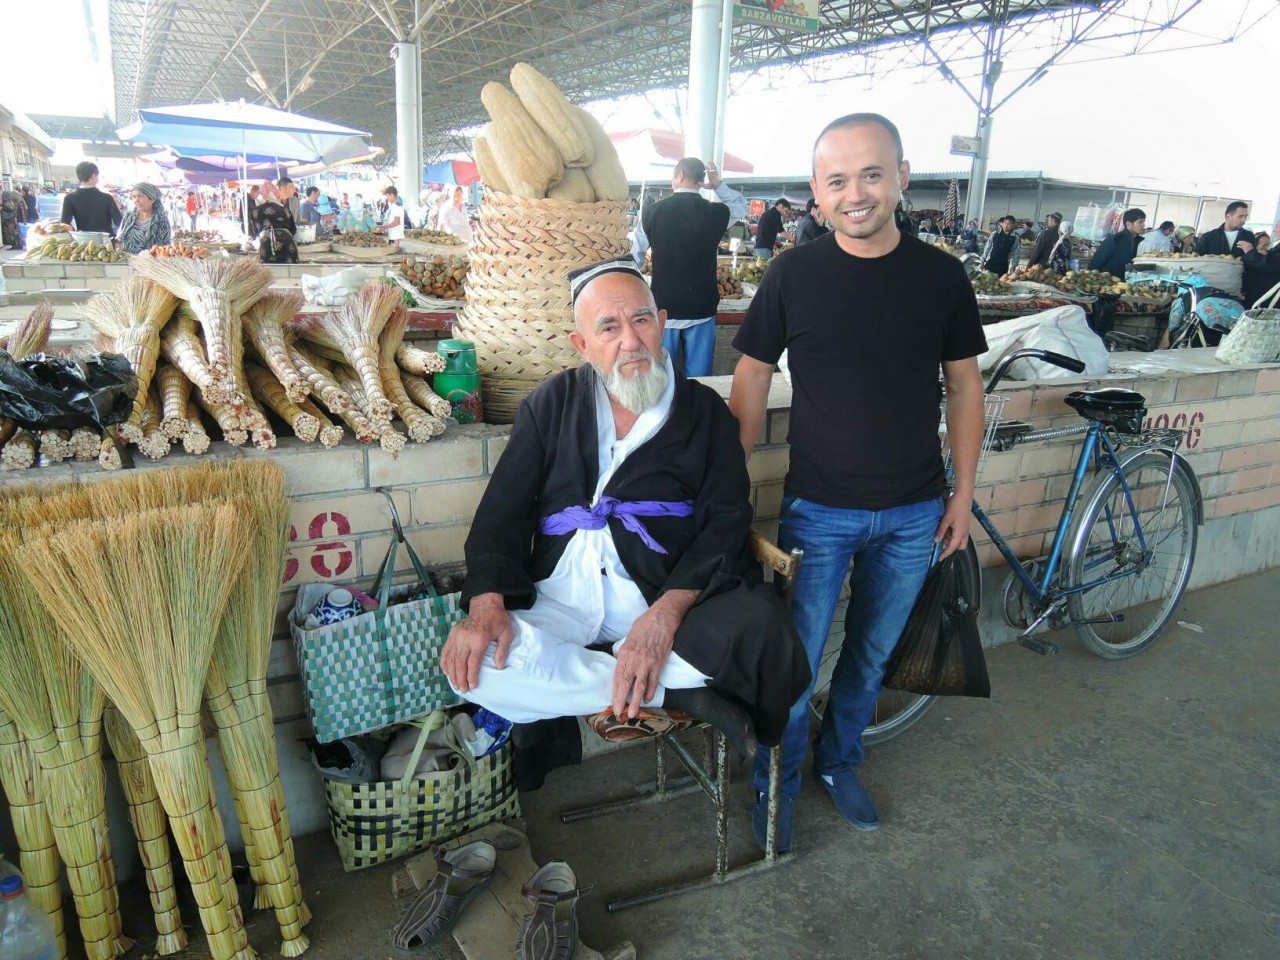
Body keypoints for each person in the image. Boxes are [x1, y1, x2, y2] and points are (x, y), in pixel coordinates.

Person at [729, 112, 987, 851]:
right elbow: (751, 375)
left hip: (915, 514)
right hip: (817, 513)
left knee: (871, 654)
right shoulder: (792, 275)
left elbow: (964, 386)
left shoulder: (941, 276)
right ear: (816, 192)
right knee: (796, 661)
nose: (856, 193)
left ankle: (840, 761)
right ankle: (775, 784)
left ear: (902, 177)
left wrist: (962, 492)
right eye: (837, 180)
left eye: (871, 174)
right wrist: (730, 481)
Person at [440, 257, 809, 767]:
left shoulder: (705, 415)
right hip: (563, 601)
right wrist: (485, 609)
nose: (630, 341)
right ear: (582, 345)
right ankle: (668, 693)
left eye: (640, 320)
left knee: (761, 630)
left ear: (661, 323)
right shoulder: (549, 404)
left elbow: (726, 520)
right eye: (608, 327)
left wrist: (662, 618)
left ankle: (602, 675)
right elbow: (500, 515)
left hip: (660, 598)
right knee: (478, 667)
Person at [632, 158, 748, 377]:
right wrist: (718, 186)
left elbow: (634, 258)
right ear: (701, 180)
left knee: (660, 375)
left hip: (665, 307)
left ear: (679, 175)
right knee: (700, 377)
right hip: (702, 306)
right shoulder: (716, 213)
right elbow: (741, 206)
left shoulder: (652, 213)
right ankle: (698, 410)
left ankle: (665, 411)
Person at [60, 161, 122, 235]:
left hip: (84, 243)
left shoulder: (69, 198)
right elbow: (119, 222)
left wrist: (76, 232)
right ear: (93, 176)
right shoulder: (107, 197)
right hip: (106, 242)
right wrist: (117, 205)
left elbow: (65, 224)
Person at [116, 182, 172, 254]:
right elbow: (120, 239)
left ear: (152, 199)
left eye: (140, 196)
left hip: (148, 263)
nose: (136, 200)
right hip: (126, 261)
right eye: (134, 197)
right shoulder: (128, 216)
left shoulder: (161, 220)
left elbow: (164, 249)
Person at [1090, 208, 1146, 278]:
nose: (1143, 225)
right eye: (1140, 222)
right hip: (1108, 280)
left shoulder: (1138, 240)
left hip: (1125, 281)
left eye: (1144, 222)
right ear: (1128, 224)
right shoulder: (1116, 239)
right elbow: (1098, 259)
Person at [252, 182, 299, 263]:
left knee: (269, 272)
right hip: (287, 242)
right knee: (290, 271)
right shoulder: (284, 209)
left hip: (266, 243)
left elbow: (254, 231)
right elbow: (293, 229)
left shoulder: (256, 210)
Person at [1239, 227, 1280, 307]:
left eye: (1278, 227)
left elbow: (1272, 265)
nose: (1276, 230)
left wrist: (1250, 252)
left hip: (1266, 299)